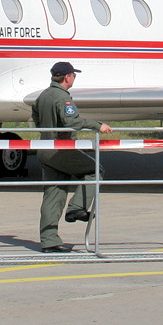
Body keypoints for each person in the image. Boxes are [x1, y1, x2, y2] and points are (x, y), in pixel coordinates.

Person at [32, 62, 112, 253]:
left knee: (54, 193)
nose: (74, 78)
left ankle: (49, 240)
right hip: (61, 149)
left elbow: (35, 117)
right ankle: (77, 207)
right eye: (73, 75)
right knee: (95, 170)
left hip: (45, 147)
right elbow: (72, 121)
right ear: (67, 77)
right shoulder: (62, 97)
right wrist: (97, 124)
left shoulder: (43, 95)